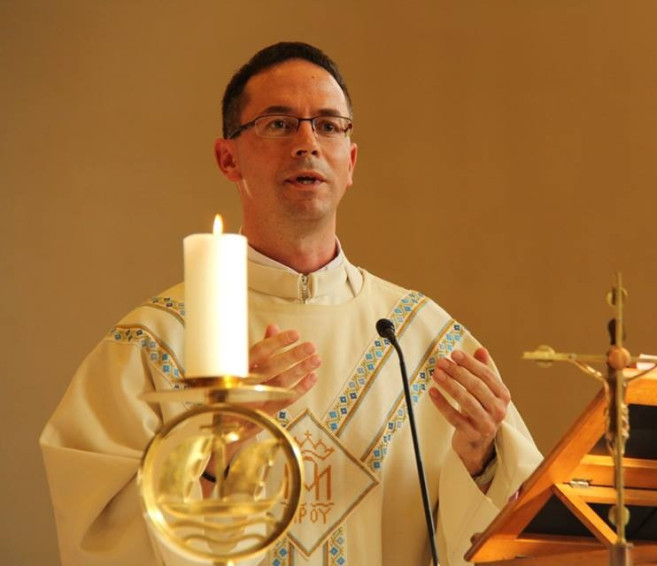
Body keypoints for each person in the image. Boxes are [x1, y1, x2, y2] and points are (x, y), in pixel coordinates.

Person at [40, 41, 542, 566]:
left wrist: (480, 461)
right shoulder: (155, 344)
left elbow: (516, 535)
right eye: (278, 124)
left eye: (328, 125)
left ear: (350, 161)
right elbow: (101, 536)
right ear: (228, 158)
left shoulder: (421, 340)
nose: (307, 143)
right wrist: (219, 451)